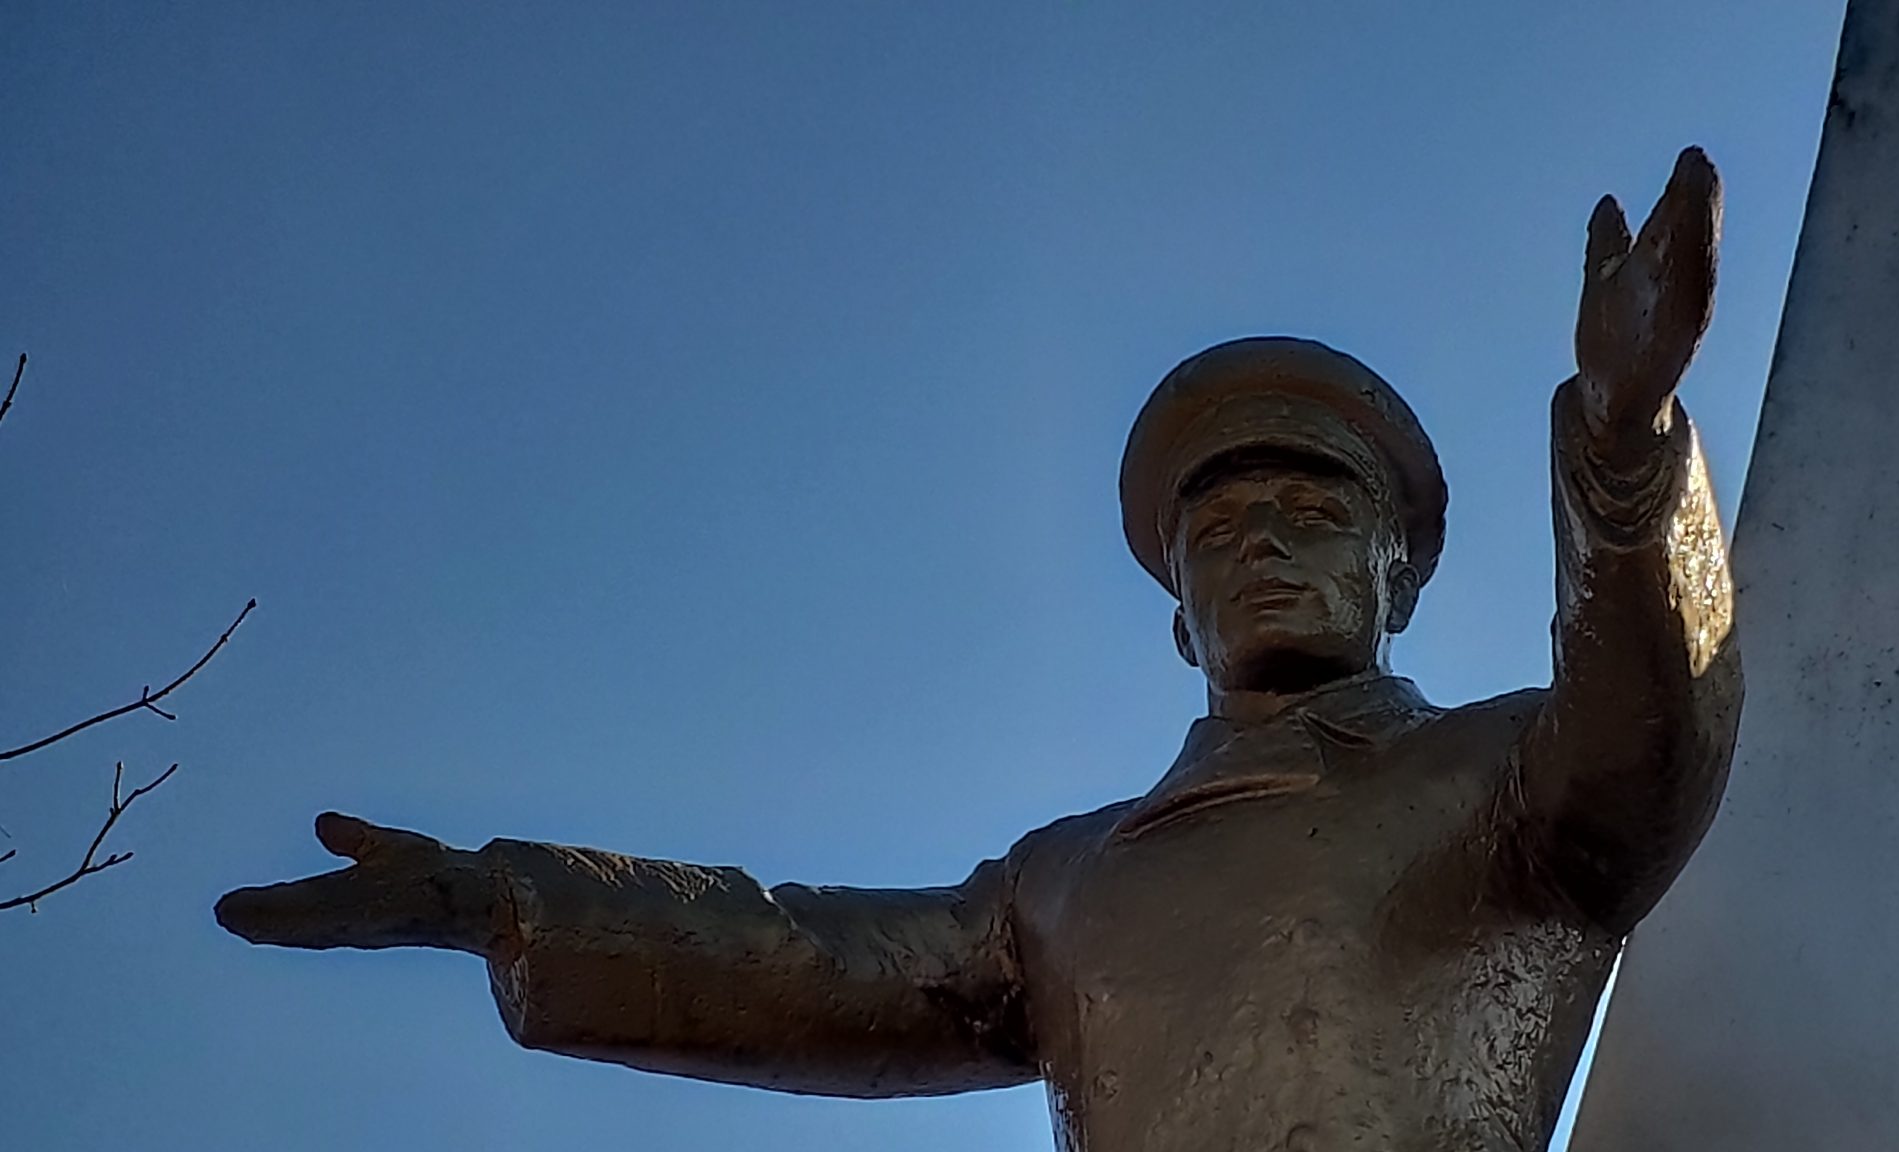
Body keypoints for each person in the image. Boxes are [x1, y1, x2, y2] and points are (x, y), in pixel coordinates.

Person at [218, 148, 1742, 1152]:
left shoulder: (1505, 785)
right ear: (1174, 613)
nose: (1264, 542)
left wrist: (1624, 448)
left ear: (1398, 581)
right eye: (1218, 528)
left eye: (1313, 511)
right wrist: (495, 897)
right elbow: (793, 955)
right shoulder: (1063, 882)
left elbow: (1650, 725)